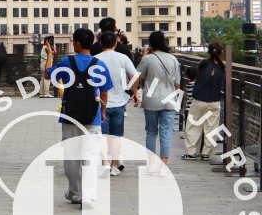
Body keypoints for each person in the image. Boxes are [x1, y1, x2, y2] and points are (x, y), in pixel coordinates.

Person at [50, 27, 112, 208]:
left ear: (76, 43)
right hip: (92, 116)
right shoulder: (99, 64)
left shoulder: (66, 62)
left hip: (70, 115)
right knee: (91, 156)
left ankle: (75, 192)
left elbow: (48, 75)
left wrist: (48, 55)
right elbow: (104, 91)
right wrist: (102, 111)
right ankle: (88, 196)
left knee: (71, 155)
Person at [131, 31, 183, 173]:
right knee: (166, 132)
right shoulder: (173, 59)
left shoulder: (147, 59)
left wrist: (135, 93)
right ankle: (164, 162)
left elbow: (136, 78)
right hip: (169, 100)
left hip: (151, 100)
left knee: (151, 132)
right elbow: (177, 84)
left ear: (151, 43)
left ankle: (151, 162)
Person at [94, 30, 137, 176]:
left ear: (100, 43)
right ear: (115, 43)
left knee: (102, 137)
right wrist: (133, 92)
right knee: (116, 136)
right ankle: (113, 166)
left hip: (101, 104)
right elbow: (134, 76)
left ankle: (103, 164)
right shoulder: (123, 58)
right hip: (119, 103)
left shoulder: (96, 59)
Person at [182, 42, 226, 161]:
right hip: (215, 101)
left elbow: (198, 77)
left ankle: (191, 152)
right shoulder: (222, 67)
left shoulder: (204, 63)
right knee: (211, 128)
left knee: (193, 126)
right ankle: (206, 153)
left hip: (200, 99)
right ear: (221, 53)